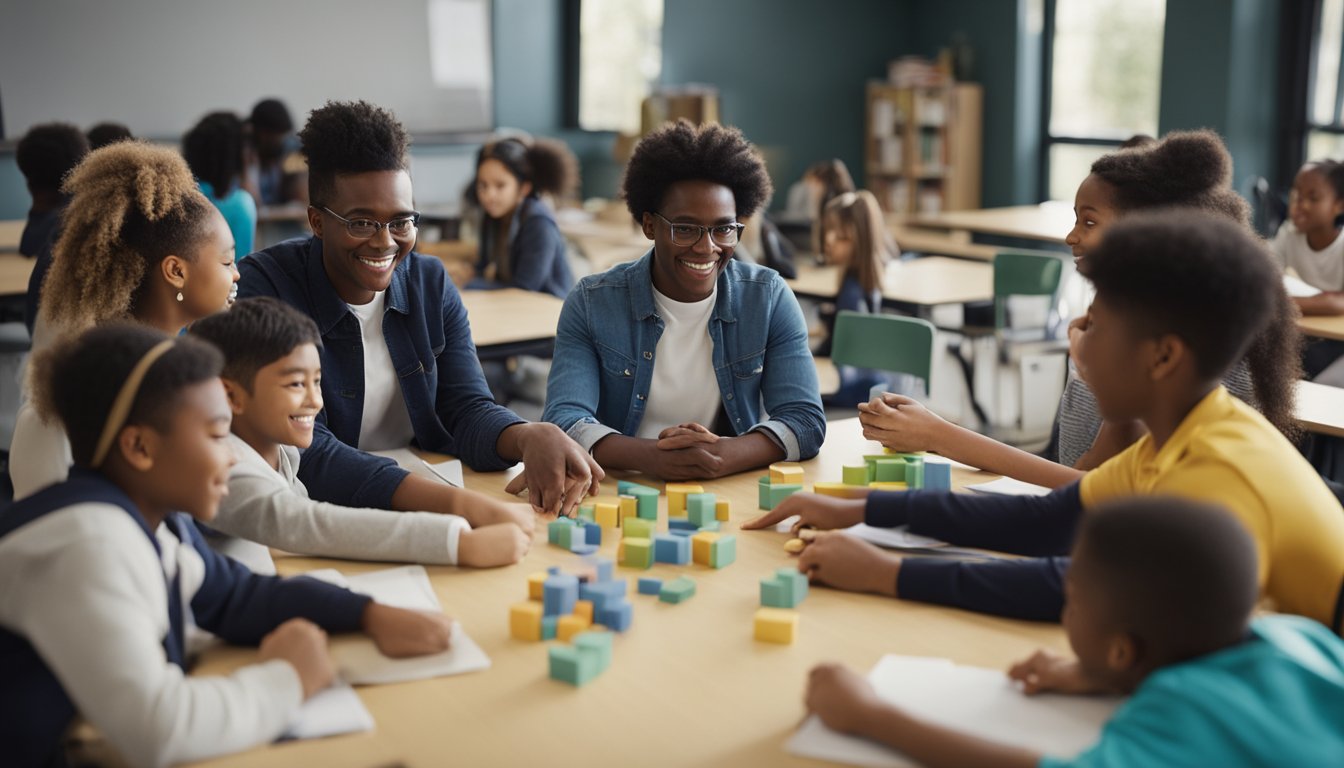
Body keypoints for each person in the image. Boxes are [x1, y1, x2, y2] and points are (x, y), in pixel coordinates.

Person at [746, 212, 1344, 632]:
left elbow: (1078, 586)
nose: (1076, 340)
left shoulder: (1216, 473)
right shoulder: (1186, 432)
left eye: (1096, 327)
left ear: (1163, 357)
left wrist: (887, 572)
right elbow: (1048, 519)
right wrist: (863, 508)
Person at [0, 324, 453, 767]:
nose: (233, 457)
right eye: (218, 435)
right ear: (139, 447)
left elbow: (240, 596)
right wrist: (290, 677)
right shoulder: (88, 546)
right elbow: (161, 730)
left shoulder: (151, 525)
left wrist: (366, 614)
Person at [858, 130, 1301, 486]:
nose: (1072, 237)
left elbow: (1087, 485)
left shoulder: (1181, 339)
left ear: (1147, 233)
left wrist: (938, 435)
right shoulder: (1131, 315)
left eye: (1089, 222)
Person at [237, 100, 600, 518]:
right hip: (316, 514)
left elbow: (465, 408)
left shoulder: (429, 283)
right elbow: (302, 449)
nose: (385, 242)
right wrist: (450, 503)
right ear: (317, 222)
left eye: (401, 221)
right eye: (360, 222)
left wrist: (527, 435)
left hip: (413, 490)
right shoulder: (266, 287)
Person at [803, 496, 1344, 767]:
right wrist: (1108, 676)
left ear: (1123, 647)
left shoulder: (1175, 710)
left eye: (1074, 601)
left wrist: (869, 716)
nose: (1066, 610)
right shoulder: (1297, 634)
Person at [543, 120, 826, 480]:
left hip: (724, 489)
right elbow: (563, 420)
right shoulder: (591, 302)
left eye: (723, 228)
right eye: (686, 228)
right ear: (649, 225)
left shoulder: (768, 298)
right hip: (619, 490)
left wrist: (726, 454)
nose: (707, 248)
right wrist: (651, 458)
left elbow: (805, 421)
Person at [187, 298, 532, 573]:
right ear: (231, 396)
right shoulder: (226, 466)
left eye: (317, 381)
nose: (315, 400)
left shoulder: (281, 449)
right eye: (295, 384)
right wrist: (458, 542)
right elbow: (307, 524)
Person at [11, 141, 240, 500]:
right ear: (176, 271)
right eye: (227, 262)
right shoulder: (69, 412)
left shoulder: (180, 376)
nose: (237, 276)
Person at [813, 190, 893, 404]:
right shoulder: (867, 281)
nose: (828, 240)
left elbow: (843, 357)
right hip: (872, 382)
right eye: (828, 231)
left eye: (840, 236)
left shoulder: (851, 293)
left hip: (850, 389)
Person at [471, 136, 578, 298]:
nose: (488, 195)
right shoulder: (493, 214)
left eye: (500, 186)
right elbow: (482, 266)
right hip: (516, 308)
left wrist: (471, 284)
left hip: (550, 309)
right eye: (483, 185)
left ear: (524, 188)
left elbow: (525, 288)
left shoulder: (539, 224)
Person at [1272, 160, 1344, 381]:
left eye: (1313, 198)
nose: (1299, 204)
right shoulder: (1289, 233)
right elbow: (1265, 281)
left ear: (1339, 205)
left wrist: (1282, 302)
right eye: (1296, 195)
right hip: (1313, 327)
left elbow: (1340, 304)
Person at [15, 122, 89, 334]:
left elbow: (27, 246)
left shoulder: (56, 232)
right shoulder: (86, 213)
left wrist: (37, 204)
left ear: (30, 182)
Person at [184, 111, 258, 258]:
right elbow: (242, 264)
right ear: (236, 154)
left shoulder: (183, 195)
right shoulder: (241, 204)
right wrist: (245, 170)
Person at [243, 97, 307, 205]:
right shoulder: (246, 158)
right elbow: (250, 204)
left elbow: (301, 199)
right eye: (277, 137)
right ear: (261, 134)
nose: (283, 143)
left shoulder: (291, 155)